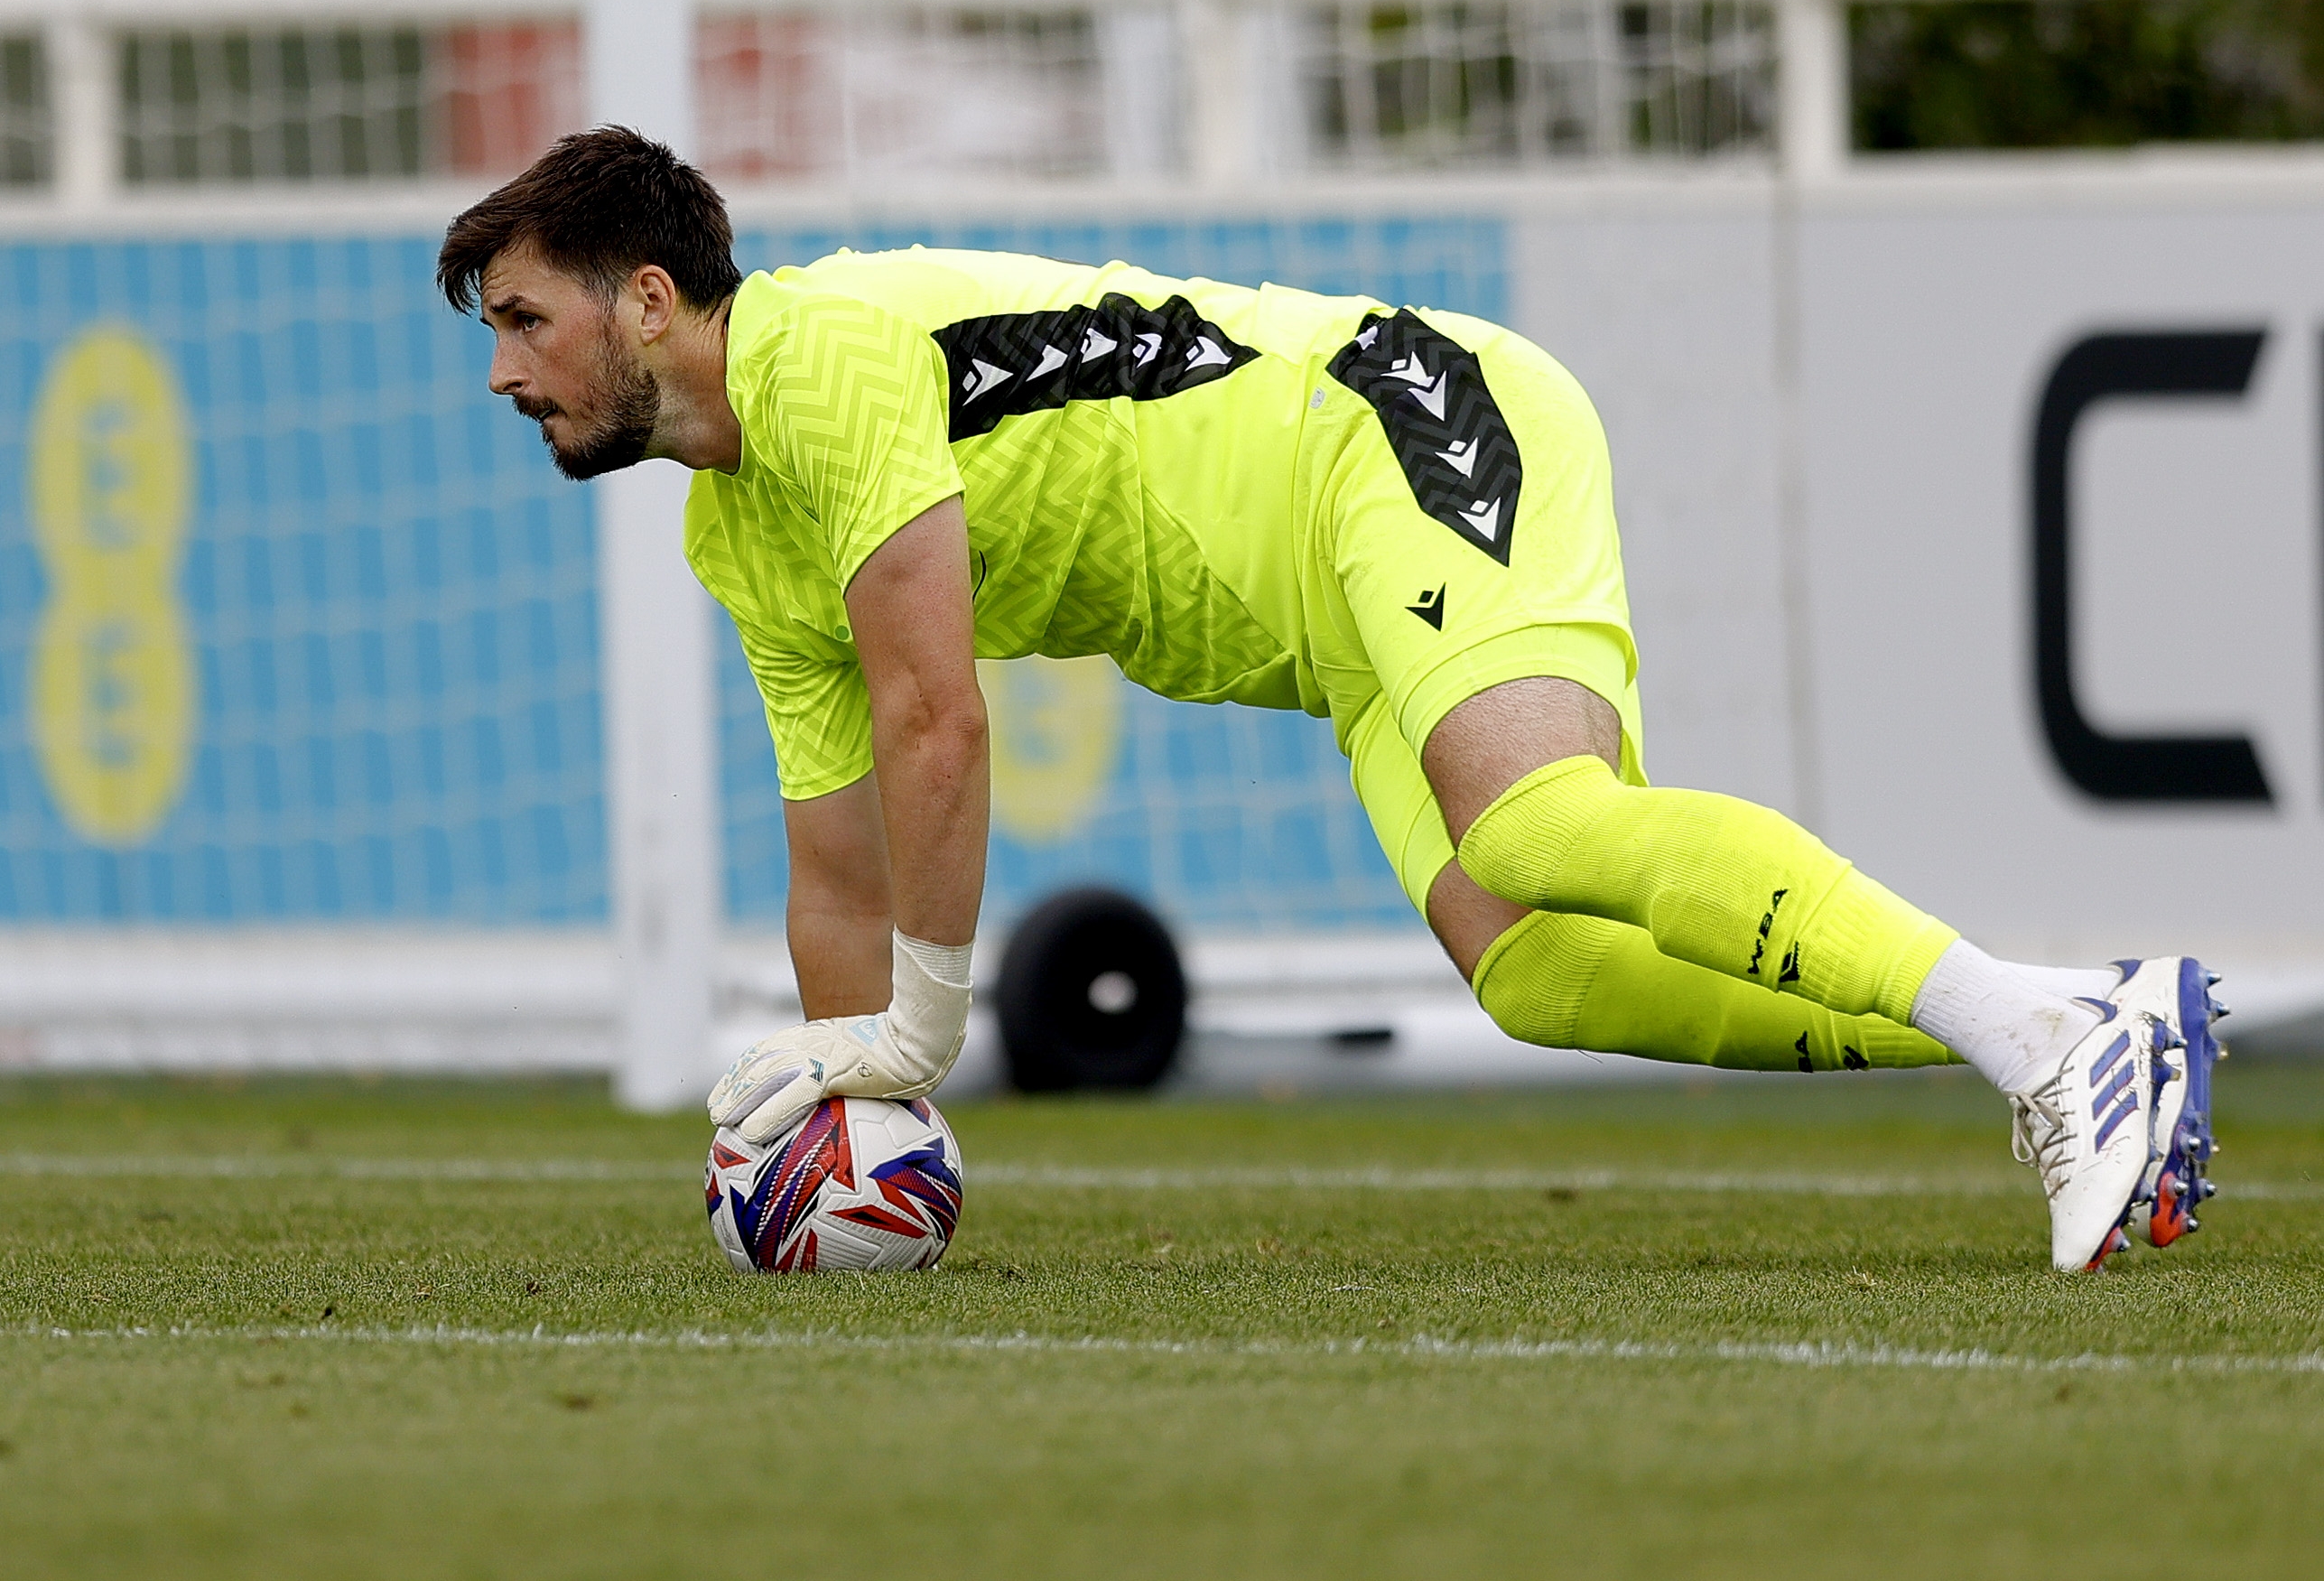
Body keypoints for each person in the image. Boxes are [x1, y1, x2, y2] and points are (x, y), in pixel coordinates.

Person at [438, 126, 2221, 1272]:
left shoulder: (816, 358)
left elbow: (940, 726)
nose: (507, 372)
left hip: (1392, 424)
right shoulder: (735, 539)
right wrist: (862, 1111)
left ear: (650, 301)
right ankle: (2077, 1014)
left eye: (522, 320)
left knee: (1536, 822)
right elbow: (839, 866)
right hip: (1325, 615)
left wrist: (916, 1031)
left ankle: (2060, 1056)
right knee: (1533, 963)